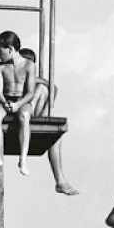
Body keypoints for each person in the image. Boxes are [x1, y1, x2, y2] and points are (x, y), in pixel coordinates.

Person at [19, 48, 78, 195]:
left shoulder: (32, 77)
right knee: (42, 89)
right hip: (19, 114)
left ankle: (60, 180)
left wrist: (45, 115)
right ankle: (60, 181)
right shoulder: (14, 74)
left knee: (56, 138)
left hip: (32, 113)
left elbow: (54, 88)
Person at [0, 31, 35, 175]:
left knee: (25, 116)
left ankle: (23, 159)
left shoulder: (29, 65)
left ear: (10, 49)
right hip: (4, 100)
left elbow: (31, 92)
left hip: (22, 100)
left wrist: (18, 105)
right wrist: (5, 102)